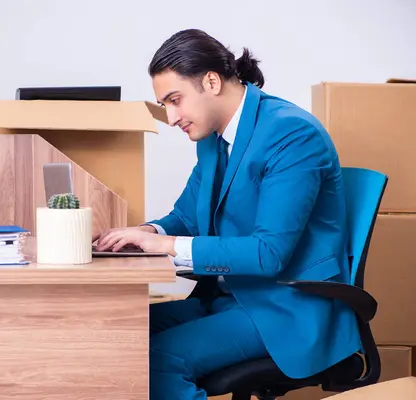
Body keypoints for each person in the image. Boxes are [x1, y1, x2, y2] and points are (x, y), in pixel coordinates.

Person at [93, 29, 361, 400]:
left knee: (155, 361)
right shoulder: (214, 139)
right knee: (113, 332)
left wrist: (166, 244)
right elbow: (186, 217)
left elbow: (268, 253)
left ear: (212, 81)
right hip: (231, 297)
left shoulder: (291, 134)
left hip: (285, 309)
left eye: (175, 100)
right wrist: (140, 232)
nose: (170, 118)